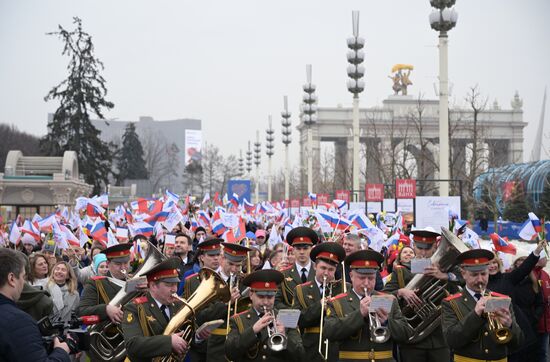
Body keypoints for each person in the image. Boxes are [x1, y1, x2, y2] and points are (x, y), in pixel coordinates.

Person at [383, 228, 463, 362]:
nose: (424, 252)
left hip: (439, 339)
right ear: (413, 246)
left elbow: (467, 283)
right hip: (411, 340)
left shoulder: (447, 269)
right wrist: (401, 292)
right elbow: (382, 297)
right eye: (420, 248)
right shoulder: (401, 270)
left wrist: (445, 276)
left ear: (435, 247)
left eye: (428, 248)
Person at [323, 250, 414, 362]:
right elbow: (329, 332)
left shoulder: (388, 299)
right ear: (351, 276)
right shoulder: (337, 302)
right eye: (361, 278)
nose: (366, 283)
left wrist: (386, 321)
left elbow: (406, 334)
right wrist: (359, 314)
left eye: (371, 278)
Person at [122, 257, 210, 362]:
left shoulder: (179, 305)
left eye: (176, 284)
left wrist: (199, 337)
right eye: (169, 284)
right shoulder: (135, 308)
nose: (175, 289)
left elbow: (191, 341)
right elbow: (132, 345)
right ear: (153, 286)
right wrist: (169, 342)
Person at [442, 249, 524, 361]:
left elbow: (518, 344)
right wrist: (475, 315)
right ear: (463, 274)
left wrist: (510, 325)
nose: (480, 279)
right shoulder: (451, 302)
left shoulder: (502, 299)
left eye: (484, 274)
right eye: (474, 275)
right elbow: (452, 341)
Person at [0, 248, 71, 362]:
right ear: (12, 279)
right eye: (23, 277)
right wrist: (61, 352)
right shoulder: (19, 321)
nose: (24, 283)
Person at [225, 269, 305, 361]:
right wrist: (253, 331)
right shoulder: (238, 319)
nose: (266, 302)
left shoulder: (287, 317)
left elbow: (301, 356)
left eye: (270, 297)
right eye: (261, 296)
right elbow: (229, 353)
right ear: (251, 294)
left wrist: (285, 337)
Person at [196, 242, 252, 362]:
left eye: (237, 266)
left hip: (242, 344)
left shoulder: (247, 282)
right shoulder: (208, 281)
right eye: (230, 264)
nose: (233, 269)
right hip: (217, 345)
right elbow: (201, 316)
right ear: (222, 259)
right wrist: (227, 303)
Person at [293, 242, 348, 362]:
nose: (326, 273)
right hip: (311, 348)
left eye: (331, 270)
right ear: (314, 267)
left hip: (338, 347)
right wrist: (319, 306)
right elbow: (296, 320)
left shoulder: (345, 288)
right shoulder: (301, 289)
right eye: (323, 268)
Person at [78, 243, 132, 324]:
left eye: (126, 263)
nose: (123, 267)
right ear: (107, 263)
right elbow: (82, 311)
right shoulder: (95, 283)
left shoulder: (135, 280)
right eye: (118, 264)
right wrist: (106, 309)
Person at [508, 255, 544, 362]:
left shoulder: (534, 283)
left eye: (524, 262)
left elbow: (540, 303)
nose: (522, 264)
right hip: (512, 319)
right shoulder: (510, 280)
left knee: (528, 353)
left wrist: (535, 318)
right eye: (519, 261)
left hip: (529, 321)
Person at [276, 227, 318, 308]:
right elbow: (277, 301)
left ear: (311, 249)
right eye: (298, 249)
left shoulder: (319, 272)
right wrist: (291, 313)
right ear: (293, 251)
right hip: (291, 318)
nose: (302, 252)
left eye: (305, 248)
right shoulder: (283, 274)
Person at [533, 255, 550, 362]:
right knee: (533, 353)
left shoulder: (545, 274)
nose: (547, 260)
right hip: (534, 322)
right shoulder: (530, 273)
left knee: (543, 352)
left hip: (546, 323)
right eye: (546, 258)